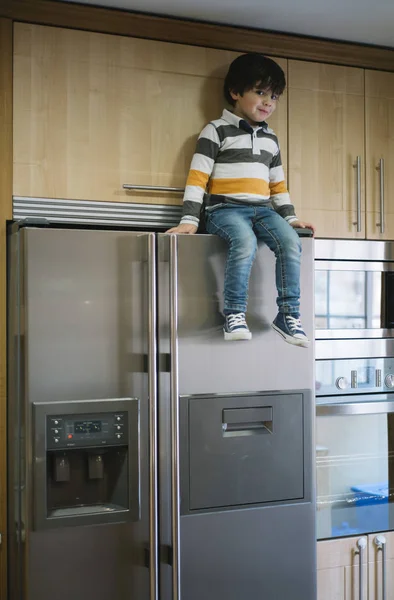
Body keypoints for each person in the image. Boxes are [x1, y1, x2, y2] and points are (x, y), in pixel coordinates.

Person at [167, 53, 314, 346]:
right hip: (226, 208)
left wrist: (290, 218)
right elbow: (198, 177)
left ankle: (288, 314)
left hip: (263, 209)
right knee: (244, 243)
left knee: (291, 243)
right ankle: (234, 313)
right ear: (235, 92)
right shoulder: (216, 130)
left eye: (273, 96)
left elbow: (278, 185)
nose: (268, 102)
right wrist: (189, 220)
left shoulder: (271, 139)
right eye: (259, 92)